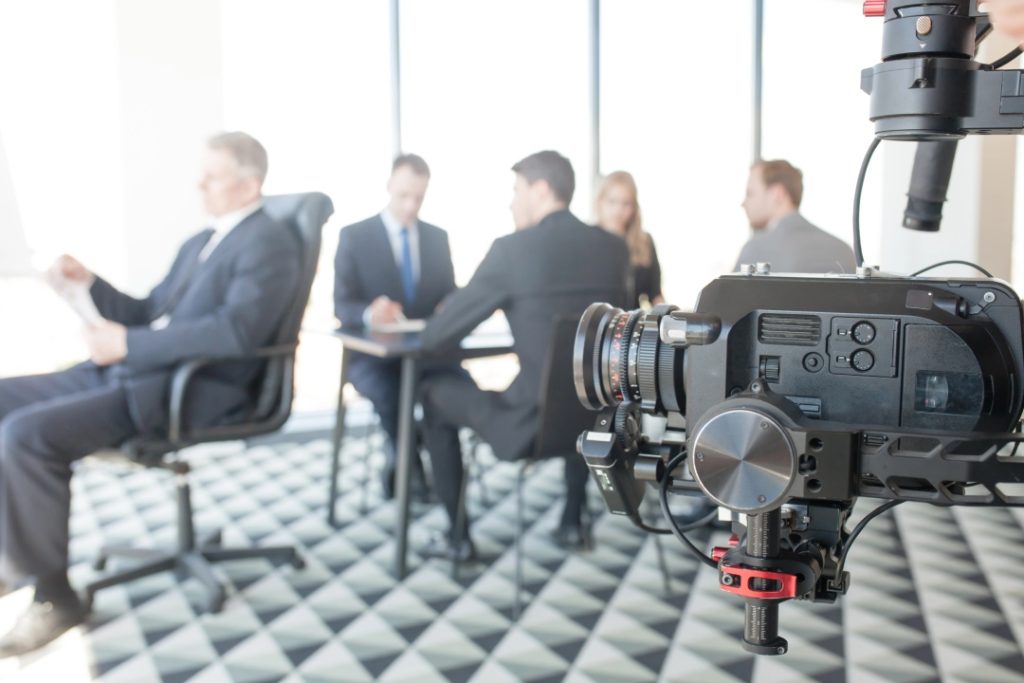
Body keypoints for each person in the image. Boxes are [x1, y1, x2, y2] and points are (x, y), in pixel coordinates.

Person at [0, 132, 300, 656]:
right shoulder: (201, 241)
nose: (200, 184)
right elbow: (148, 312)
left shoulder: (269, 243)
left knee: (27, 435)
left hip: (183, 388)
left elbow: (237, 333)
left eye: (212, 176)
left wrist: (128, 345)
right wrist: (89, 282)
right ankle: (12, 558)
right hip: (135, 369)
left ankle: (55, 597)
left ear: (249, 185)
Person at [417, 150, 630, 560]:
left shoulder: (513, 251)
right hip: (599, 424)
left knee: (432, 393)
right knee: (580, 386)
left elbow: (436, 337)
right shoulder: (613, 249)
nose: (511, 202)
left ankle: (457, 538)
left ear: (541, 190)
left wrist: (443, 315)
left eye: (517, 191)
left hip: (528, 426)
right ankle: (572, 520)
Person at [333, 154, 456, 499]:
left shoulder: (437, 238)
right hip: (374, 358)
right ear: (389, 185)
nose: (410, 205)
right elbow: (342, 305)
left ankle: (420, 455)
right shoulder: (354, 236)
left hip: (427, 354)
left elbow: (450, 291)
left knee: (452, 390)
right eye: (404, 195)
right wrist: (369, 314)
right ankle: (410, 461)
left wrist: (452, 304)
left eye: (419, 197)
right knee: (392, 395)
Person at [735, 159, 856, 273]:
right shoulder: (844, 251)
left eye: (750, 193)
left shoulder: (756, 250)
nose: (743, 203)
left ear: (777, 194)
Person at [594, 171, 663, 308]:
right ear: (600, 202)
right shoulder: (588, 240)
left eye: (626, 204)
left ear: (634, 208)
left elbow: (655, 296)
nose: (618, 210)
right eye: (612, 201)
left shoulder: (644, 243)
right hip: (596, 318)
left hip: (629, 319)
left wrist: (668, 315)